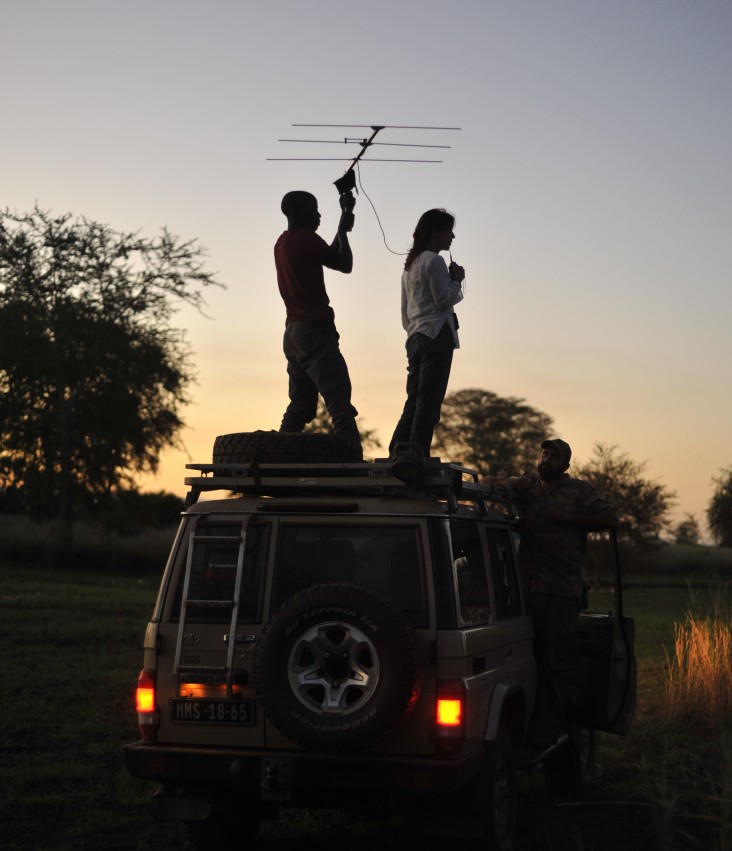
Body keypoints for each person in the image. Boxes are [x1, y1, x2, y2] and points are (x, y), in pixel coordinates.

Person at [481, 438, 619, 749]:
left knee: (554, 663)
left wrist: (572, 519)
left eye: (555, 456)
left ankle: (546, 731)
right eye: (544, 453)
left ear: (566, 465)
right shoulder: (528, 486)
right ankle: (524, 723)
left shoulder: (580, 492)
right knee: (523, 659)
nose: (547, 459)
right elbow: (494, 482)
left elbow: (612, 519)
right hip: (525, 591)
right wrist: (493, 484)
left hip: (561, 591)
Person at [274, 189, 361, 453]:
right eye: (314, 209)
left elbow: (330, 256)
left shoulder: (282, 242)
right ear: (296, 212)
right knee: (339, 400)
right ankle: (353, 461)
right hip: (313, 331)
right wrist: (343, 229)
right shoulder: (306, 239)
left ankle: (276, 453)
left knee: (301, 404)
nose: (319, 215)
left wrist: (343, 221)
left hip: (293, 334)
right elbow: (343, 263)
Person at [388, 208, 465, 458]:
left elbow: (404, 314)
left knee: (414, 401)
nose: (452, 236)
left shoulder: (409, 267)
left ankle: (397, 453)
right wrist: (456, 281)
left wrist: (415, 331)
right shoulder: (435, 261)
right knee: (428, 403)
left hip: (415, 337)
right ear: (435, 232)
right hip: (437, 337)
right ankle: (416, 457)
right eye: (448, 230)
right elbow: (443, 300)